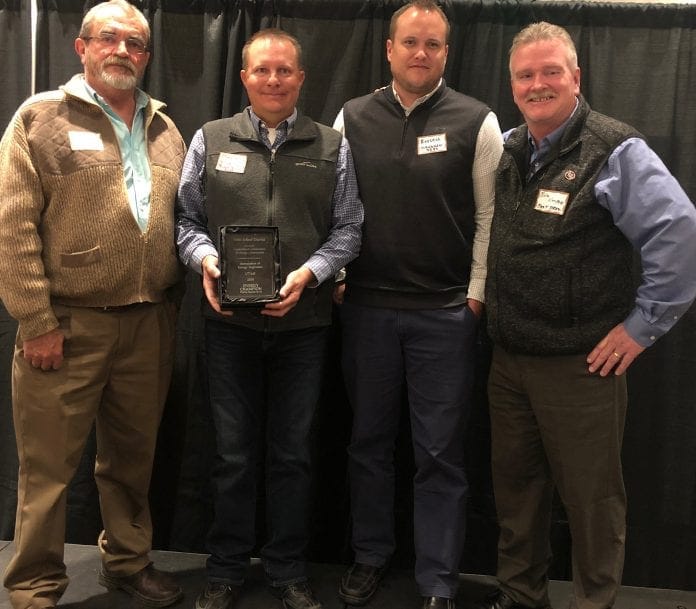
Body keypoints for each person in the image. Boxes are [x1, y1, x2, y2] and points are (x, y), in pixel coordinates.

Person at [480, 22, 696, 609]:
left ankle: (594, 602)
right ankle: (520, 594)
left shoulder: (613, 149)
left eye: (551, 71)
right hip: (510, 359)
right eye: (525, 75)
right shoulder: (510, 147)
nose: (538, 84)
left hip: (581, 366)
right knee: (517, 492)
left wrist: (642, 327)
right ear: (512, 84)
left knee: (591, 500)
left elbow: (678, 234)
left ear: (576, 77)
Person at [0, 1, 187, 608]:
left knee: (132, 463)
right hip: (65, 325)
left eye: (135, 43)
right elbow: (12, 227)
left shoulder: (166, 129)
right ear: (81, 47)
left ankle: (128, 563)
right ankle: (33, 586)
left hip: (148, 323)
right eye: (109, 38)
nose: (122, 51)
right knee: (48, 471)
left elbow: (184, 222)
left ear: (147, 56)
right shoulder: (40, 119)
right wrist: (36, 321)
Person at [176, 28, 363, 609]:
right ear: (244, 77)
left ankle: (287, 569)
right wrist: (206, 260)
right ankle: (226, 568)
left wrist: (311, 274)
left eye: (284, 70)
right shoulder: (210, 139)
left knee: (293, 455)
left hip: (303, 328)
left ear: (301, 77)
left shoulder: (332, 145)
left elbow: (349, 229)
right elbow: (185, 221)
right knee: (231, 455)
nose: (274, 80)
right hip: (228, 327)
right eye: (262, 70)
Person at [332, 2, 503, 608]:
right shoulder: (352, 117)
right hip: (368, 311)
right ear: (389, 49)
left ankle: (438, 581)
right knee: (368, 444)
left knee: (439, 455)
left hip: (445, 314)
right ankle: (370, 555)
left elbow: (490, 217)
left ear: (446, 52)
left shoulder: (477, 121)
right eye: (410, 42)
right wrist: (339, 279)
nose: (420, 53)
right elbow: (336, 207)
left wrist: (475, 297)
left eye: (433, 43)